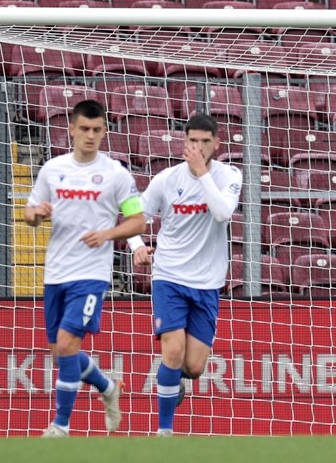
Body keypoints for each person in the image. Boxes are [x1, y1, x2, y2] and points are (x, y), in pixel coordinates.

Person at [24, 100, 146, 437]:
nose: (90, 136)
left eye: (97, 130)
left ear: (104, 131)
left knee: (65, 345)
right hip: (56, 271)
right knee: (61, 352)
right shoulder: (52, 169)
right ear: (72, 130)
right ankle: (107, 387)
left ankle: (60, 427)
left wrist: (108, 233)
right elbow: (30, 214)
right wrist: (37, 213)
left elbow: (138, 220)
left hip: (91, 274)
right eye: (84, 129)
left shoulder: (116, 174)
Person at [128, 113, 242, 437]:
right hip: (169, 275)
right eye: (193, 141)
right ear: (185, 143)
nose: (199, 147)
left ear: (217, 143)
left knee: (193, 367)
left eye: (206, 141)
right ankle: (165, 434)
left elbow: (222, 213)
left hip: (207, 282)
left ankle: (175, 379)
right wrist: (136, 245)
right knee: (173, 352)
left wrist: (203, 173)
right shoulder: (167, 179)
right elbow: (137, 216)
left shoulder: (229, 175)